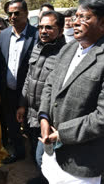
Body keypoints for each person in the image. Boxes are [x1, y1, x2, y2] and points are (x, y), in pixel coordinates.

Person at [38, 0, 104, 184]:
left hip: (82, 162)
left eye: (84, 17)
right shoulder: (69, 49)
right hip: (52, 152)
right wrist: (43, 117)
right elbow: (50, 84)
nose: (76, 22)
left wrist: (63, 134)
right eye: (76, 16)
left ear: (103, 23)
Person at [17, 10, 66, 183]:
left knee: (44, 157)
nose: (43, 31)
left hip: (48, 119)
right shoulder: (37, 47)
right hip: (30, 114)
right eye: (40, 27)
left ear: (61, 30)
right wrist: (22, 104)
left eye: (49, 28)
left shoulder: (65, 54)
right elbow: (29, 79)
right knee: (34, 153)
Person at [0, 0, 39, 164]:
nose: (12, 17)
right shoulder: (5, 34)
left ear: (26, 13)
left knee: (30, 128)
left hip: (28, 93)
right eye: (9, 14)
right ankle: (19, 153)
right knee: (12, 126)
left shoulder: (36, 35)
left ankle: (37, 159)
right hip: (8, 92)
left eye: (16, 13)